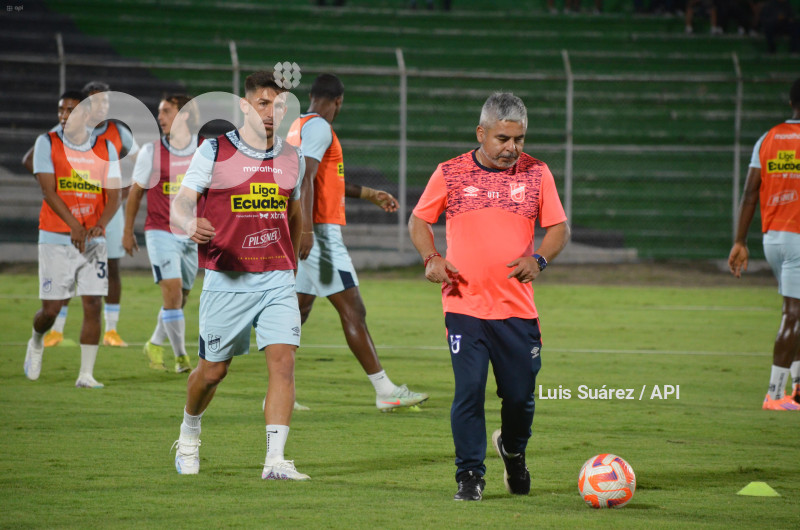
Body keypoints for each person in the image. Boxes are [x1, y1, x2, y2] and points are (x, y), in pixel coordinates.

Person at [408, 92, 570, 501]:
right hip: (464, 304)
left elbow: (558, 230)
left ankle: (513, 451)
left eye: (519, 139)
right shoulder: (451, 172)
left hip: (516, 309)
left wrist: (539, 260)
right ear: (481, 133)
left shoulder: (537, 173)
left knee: (519, 398)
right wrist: (431, 257)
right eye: (502, 139)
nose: (512, 149)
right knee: (469, 390)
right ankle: (469, 476)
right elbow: (419, 220)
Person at [170, 71, 309, 479]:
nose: (272, 112)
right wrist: (188, 222)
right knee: (213, 371)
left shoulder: (292, 157)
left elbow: (295, 211)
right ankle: (189, 431)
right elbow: (182, 201)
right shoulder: (214, 150)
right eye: (264, 104)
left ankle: (275, 461)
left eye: (279, 105)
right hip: (226, 277)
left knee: (283, 364)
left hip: (276, 276)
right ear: (246, 107)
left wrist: (293, 261)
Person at [286, 73, 428, 412]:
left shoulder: (297, 126)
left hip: (307, 228)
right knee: (353, 309)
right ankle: (385, 390)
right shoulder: (320, 127)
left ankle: (279, 392)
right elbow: (304, 178)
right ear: (339, 101)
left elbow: (322, 181)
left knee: (298, 312)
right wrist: (305, 231)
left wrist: (368, 194)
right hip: (319, 234)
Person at [25, 90, 121, 388]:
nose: (64, 116)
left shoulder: (106, 148)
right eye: (61, 110)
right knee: (51, 310)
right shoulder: (47, 143)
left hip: (93, 241)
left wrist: (100, 225)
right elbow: (48, 191)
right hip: (55, 236)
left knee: (93, 303)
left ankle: (86, 374)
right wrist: (74, 227)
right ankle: (38, 338)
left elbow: (115, 195)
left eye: (71, 110)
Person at [33, 81, 140, 349]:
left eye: (104, 102)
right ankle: (54, 330)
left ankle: (109, 334)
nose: (99, 107)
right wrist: (47, 177)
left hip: (104, 213)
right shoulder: (56, 137)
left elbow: (140, 164)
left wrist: (123, 192)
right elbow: (37, 165)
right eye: (94, 102)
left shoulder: (116, 133)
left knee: (108, 274)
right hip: (63, 222)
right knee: (62, 290)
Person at [728, 78, 800, 411]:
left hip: (773, 238)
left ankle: (796, 390)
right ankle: (774, 394)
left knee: (798, 311)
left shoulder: (768, 139)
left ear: (791, 104)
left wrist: (740, 240)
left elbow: (749, 193)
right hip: (798, 238)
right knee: (793, 313)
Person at [123, 94, 200, 373]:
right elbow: (135, 193)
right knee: (172, 294)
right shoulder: (151, 152)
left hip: (192, 234)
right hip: (160, 231)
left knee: (181, 296)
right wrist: (127, 230)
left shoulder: (204, 149)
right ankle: (182, 359)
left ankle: (155, 342)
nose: (161, 117)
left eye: (167, 111)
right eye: (160, 112)